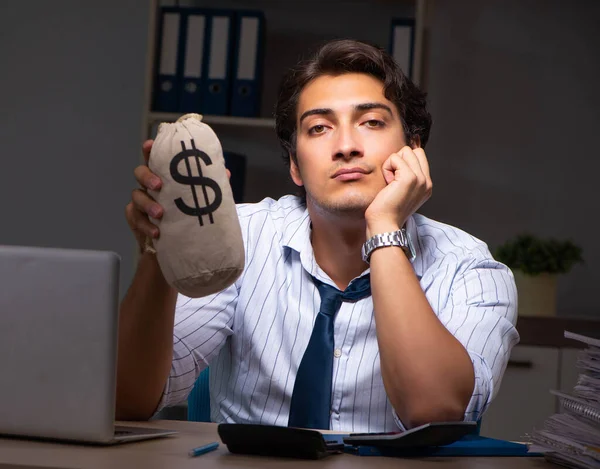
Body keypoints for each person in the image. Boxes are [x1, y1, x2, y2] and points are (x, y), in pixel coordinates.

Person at [118, 39, 519, 432]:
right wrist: (161, 248)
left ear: (413, 148)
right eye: (320, 128)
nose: (346, 146)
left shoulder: (470, 268)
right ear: (295, 164)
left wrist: (382, 227)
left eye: (372, 122)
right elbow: (128, 401)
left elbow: (433, 411)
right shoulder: (243, 236)